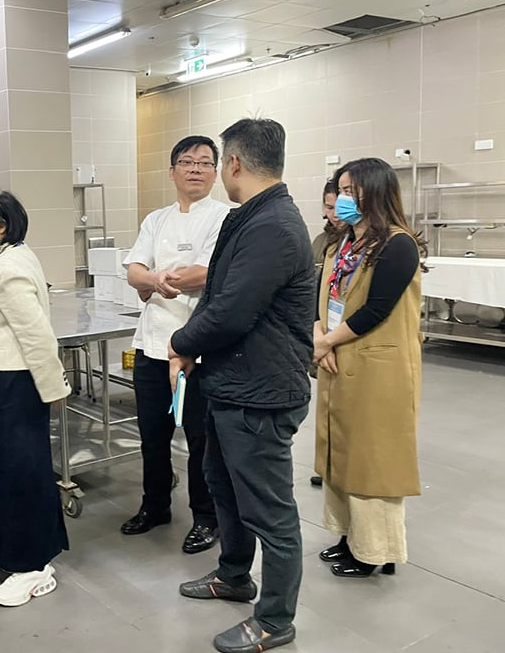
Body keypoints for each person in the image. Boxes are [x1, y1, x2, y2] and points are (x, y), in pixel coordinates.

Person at [170, 119, 314, 653]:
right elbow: (217, 292)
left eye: (217, 161)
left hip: (262, 390)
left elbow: (233, 310)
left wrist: (181, 343)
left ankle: (275, 619)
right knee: (223, 486)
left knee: (270, 511)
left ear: (232, 163)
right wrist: (192, 345)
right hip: (228, 383)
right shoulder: (246, 218)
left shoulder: (274, 225)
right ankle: (233, 574)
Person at [313, 159, 425, 578]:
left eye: (351, 190)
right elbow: (321, 293)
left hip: (379, 369)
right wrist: (318, 333)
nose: (342, 199)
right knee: (341, 455)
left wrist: (325, 341)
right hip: (339, 361)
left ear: (375, 192)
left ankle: (375, 551)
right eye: (340, 190)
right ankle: (348, 537)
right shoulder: (342, 244)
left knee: (373, 462)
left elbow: (377, 309)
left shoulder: (398, 244)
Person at [120, 135, 229, 555]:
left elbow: (207, 272)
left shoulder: (225, 218)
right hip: (152, 346)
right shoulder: (156, 219)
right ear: (172, 172)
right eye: (187, 162)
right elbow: (134, 270)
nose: (196, 169)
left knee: (200, 438)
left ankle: (206, 517)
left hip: (199, 347)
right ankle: (155, 506)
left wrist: (157, 278)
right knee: (152, 435)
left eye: (204, 162)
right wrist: (157, 279)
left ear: (216, 172)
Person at [0, 190, 70, 607]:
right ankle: (10, 550)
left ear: (2, 226)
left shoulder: (11, 266)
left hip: (16, 384)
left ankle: (33, 566)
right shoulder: (0, 258)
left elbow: (37, 334)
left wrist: (54, 389)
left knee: (21, 471)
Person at [309, 179, 346, 486]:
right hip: (320, 333)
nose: (333, 213)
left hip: (344, 336)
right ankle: (327, 465)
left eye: (339, 205)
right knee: (325, 409)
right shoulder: (322, 242)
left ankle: (341, 467)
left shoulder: (358, 244)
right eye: (329, 206)